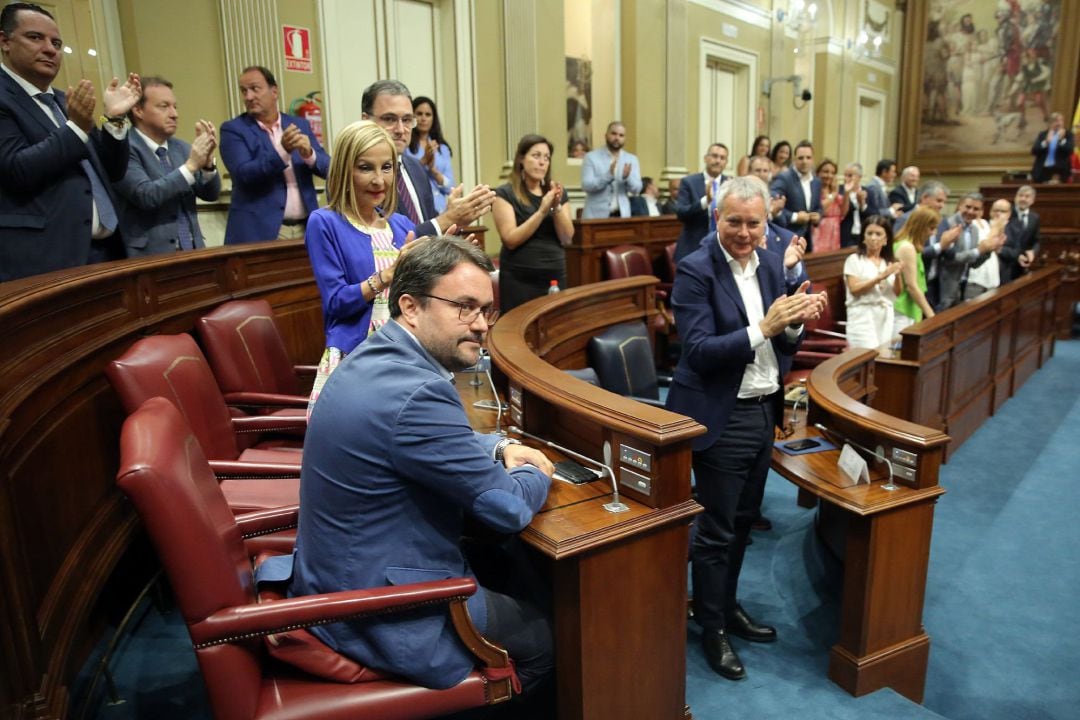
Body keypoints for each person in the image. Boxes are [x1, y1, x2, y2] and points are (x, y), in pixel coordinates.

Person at [287, 235, 555, 705]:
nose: (479, 326)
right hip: (379, 612)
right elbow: (508, 508)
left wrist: (497, 447)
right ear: (410, 306)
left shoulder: (375, 356)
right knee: (548, 638)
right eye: (464, 308)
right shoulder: (420, 391)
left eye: (486, 310)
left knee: (509, 563)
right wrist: (541, 471)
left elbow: (408, 435)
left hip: (335, 577)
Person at [666, 176, 826, 682]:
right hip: (721, 414)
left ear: (766, 224)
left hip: (762, 411)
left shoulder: (771, 264)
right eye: (733, 220)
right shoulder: (695, 271)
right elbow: (699, 351)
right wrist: (768, 326)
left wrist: (794, 320)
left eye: (753, 223)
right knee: (715, 531)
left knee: (742, 524)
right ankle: (709, 625)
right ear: (717, 218)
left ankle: (727, 607)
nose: (743, 231)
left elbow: (781, 345)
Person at [0, 1, 140, 281]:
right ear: (4, 42)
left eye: (56, 42)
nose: (50, 49)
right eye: (35, 37)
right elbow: (16, 169)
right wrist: (76, 128)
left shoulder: (64, 103)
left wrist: (113, 119)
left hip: (103, 252)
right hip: (42, 261)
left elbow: (112, 171)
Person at [303, 120, 416, 413]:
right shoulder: (324, 222)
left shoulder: (401, 224)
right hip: (356, 358)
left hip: (404, 355)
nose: (379, 180)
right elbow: (337, 303)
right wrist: (387, 275)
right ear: (344, 170)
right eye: (366, 168)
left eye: (387, 167)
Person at [362, 80, 494, 237]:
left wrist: (451, 221)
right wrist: (447, 218)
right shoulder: (353, 175)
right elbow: (384, 240)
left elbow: (428, 226)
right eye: (389, 119)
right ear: (366, 120)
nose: (400, 129)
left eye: (406, 120)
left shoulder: (416, 168)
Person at [220, 65, 329, 244]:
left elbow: (328, 167)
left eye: (255, 89)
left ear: (274, 91)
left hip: (306, 229)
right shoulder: (234, 130)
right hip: (261, 233)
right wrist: (283, 151)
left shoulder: (299, 125)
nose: (248, 97)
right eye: (244, 91)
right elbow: (244, 175)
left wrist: (309, 154)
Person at [113, 76, 220, 256]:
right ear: (138, 110)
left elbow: (210, 194)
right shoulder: (122, 149)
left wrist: (208, 164)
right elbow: (146, 195)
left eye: (175, 107)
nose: (174, 114)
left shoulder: (182, 148)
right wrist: (192, 166)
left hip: (194, 251)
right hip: (151, 257)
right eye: (164, 106)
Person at [492, 134, 573, 313]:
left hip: (554, 276)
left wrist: (556, 206)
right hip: (520, 279)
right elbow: (510, 239)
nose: (542, 162)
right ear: (521, 158)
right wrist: (542, 211)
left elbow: (567, 238)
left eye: (546, 158)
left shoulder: (556, 192)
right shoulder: (505, 194)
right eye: (536, 156)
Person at [843, 215, 901, 349]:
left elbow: (897, 293)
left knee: (882, 356)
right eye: (869, 233)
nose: (873, 238)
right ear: (863, 237)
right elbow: (854, 289)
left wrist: (898, 276)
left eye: (878, 234)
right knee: (866, 355)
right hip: (862, 315)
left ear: (886, 240)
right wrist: (880, 277)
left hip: (885, 316)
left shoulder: (888, 262)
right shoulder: (854, 260)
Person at [674, 143, 730, 261]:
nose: (718, 161)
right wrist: (705, 202)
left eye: (722, 158)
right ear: (706, 158)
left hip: (723, 248)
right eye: (714, 156)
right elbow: (681, 213)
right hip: (693, 246)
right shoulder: (689, 182)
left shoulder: (730, 184)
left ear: (726, 162)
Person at [581, 121, 641, 218]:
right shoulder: (591, 157)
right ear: (606, 135)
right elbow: (586, 186)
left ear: (624, 139)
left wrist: (627, 177)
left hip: (622, 216)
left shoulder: (632, 159)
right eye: (614, 134)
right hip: (596, 217)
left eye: (621, 135)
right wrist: (608, 176)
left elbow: (637, 189)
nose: (617, 138)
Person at [893, 206, 938, 334]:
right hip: (902, 311)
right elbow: (912, 286)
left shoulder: (911, 246)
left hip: (909, 309)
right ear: (920, 226)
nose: (934, 233)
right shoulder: (907, 248)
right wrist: (931, 315)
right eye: (931, 228)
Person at [405, 95, 453, 213]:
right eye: (419, 114)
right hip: (416, 208)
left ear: (433, 118)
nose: (423, 118)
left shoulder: (443, 148)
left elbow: (450, 188)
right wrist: (423, 161)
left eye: (428, 114)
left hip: (440, 209)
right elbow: (403, 178)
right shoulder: (404, 145)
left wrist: (433, 170)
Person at [770, 140, 821, 251]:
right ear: (794, 159)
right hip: (787, 238)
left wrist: (818, 216)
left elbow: (818, 207)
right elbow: (772, 204)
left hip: (807, 240)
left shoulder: (817, 182)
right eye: (801, 158)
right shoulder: (784, 178)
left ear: (813, 159)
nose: (804, 161)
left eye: (808, 157)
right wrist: (795, 217)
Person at [812, 158, 846, 252]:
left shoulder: (835, 191)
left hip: (834, 232)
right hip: (819, 231)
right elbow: (820, 209)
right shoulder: (814, 190)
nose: (829, 175)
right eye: (826, 172)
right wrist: (833, 195)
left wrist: (847, 192)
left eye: (832, 173)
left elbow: (843, 212)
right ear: (818, 173)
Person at [1007, 184, 1040, 280]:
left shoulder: (1034, 218)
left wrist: (1033, 252)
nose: (1023, 199)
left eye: (1027, 196)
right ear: (1015, 198)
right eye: (1020, 195)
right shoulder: (1007, 213)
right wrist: (1017, 256)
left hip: (1023, 264)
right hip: (1007, 262)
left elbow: (1037, 240)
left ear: (1032, 200)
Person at [1030, 112, 1074, 183]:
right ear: (1050, 123)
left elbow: (1070, 150)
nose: (1059, 123)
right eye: (1056, 121)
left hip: (1060, 172)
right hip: (1043, 171)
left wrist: (1060, 140)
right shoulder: (1043, 134)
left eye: (1061, 120)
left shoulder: (1068, 135)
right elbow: (1034, 151)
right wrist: (1046, 142)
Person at [838, 162, 870, 248]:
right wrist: (847, 194)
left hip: (863, 234)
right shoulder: (839, 191)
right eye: (845, 175)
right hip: (845, 234)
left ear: (859, 177)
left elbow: (873, 213)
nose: (846, 178)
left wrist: (862, 204)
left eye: (850, 175)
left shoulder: (869, 192)